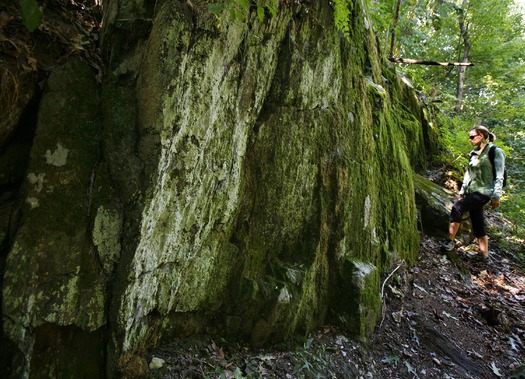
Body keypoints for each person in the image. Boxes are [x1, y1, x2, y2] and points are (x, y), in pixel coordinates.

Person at [442, 125, 506, 260]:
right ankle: (484, 255)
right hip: (472, 191)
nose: (470, 139)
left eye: (472, 136)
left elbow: (500, 175)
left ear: (481, 136)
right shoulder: (473, 153)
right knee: (478, 222)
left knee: (457, 208)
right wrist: (463, 191)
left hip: (485, 192)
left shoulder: (495, 151)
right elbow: (468, 174)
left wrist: (496, 195)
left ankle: (449, 241)